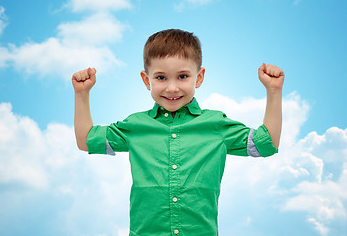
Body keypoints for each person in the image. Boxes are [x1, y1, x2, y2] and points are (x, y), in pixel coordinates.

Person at [72, 29, 284, 236]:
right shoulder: (135, 125)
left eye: (182, 76)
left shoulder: (216, 124)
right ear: (147, 81)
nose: (172, 88)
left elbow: (267, 144)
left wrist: (273, 91)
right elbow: (87, 140)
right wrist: (82, 94)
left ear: (199, 78)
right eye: (161, 78)